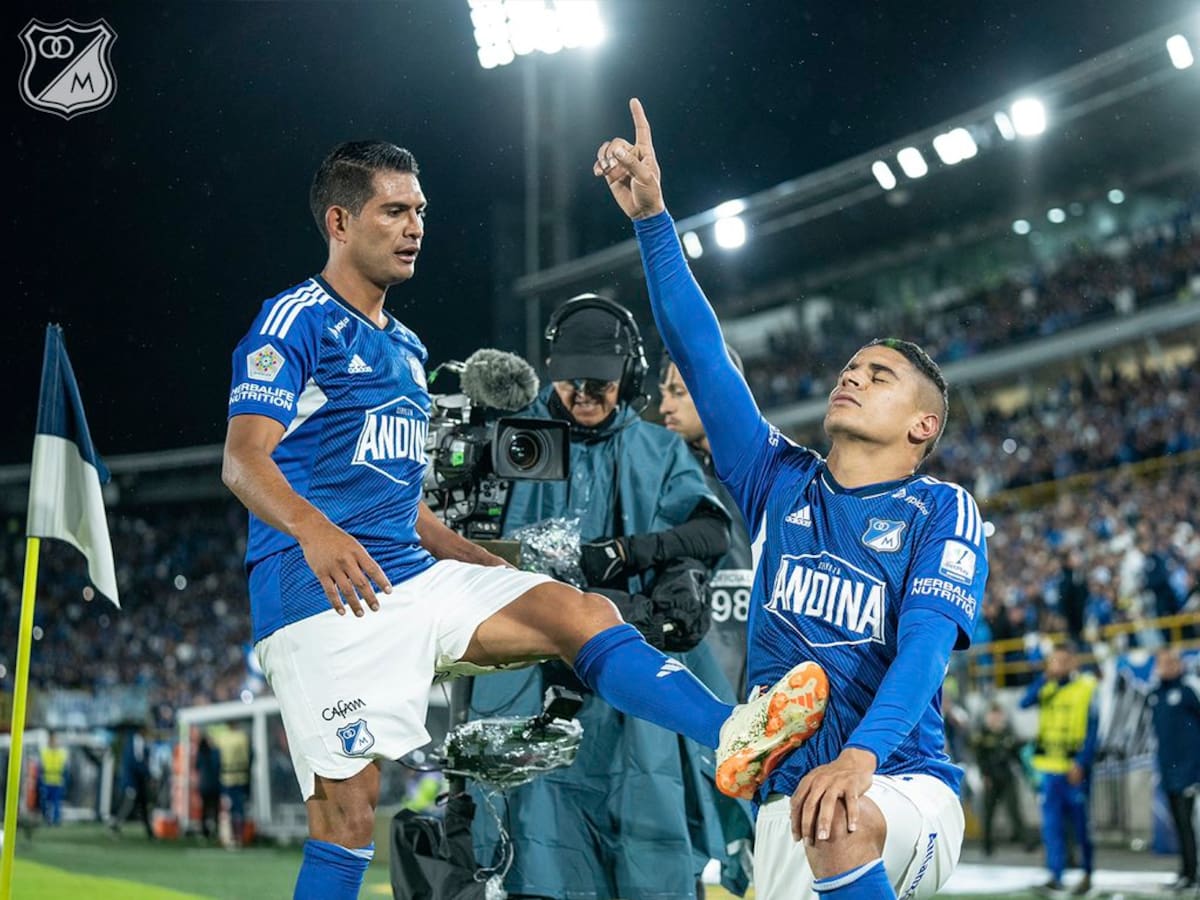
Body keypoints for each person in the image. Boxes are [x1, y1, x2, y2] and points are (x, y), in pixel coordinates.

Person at [222, 141, 821, 900]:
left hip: (409, 578)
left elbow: (402, 503)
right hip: (319, 594)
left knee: (573, 609)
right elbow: (244, 460)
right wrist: (316, 531)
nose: (415, 228)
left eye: (421, 212)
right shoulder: (295, 320)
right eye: (395, 211)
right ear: (339, 221)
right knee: (346, 818)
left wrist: (476, 559)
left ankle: (735, 732)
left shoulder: (405, 350)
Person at [595, 98, 989, 900]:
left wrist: (861, 758)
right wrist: (653, 221)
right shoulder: (779, 480)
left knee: (837, 824)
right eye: (851, 366)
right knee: (816, 824)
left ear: (923, 424)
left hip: (897, 783)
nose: (853, 375)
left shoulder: (942, 511)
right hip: (786, 802)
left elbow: (921, 653)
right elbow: (703, 357)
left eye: (880, 376)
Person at [469, 295, 752, 899]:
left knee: (650, 851)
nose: (584, 396)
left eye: (600, 383)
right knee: (538, 857)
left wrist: (628, 553)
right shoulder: (514, 443)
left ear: (630, 379)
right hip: (529, 688)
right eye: (570, 382)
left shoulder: (659, 450)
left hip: (632, 702)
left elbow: (711, 530)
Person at [660, 350, 754, 701]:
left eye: (678, 393)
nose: (665, 407)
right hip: (694, 688)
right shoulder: (662, 479)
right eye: (663, 393)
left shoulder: (776, 478)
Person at [1019, 646, 1098, 895]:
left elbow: (1094, 728)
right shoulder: (1046, 687)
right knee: (1051, 826)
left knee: (1081, 825)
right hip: (1048, 771)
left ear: (1073, 661)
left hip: (1073, 768)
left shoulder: (1086, 687)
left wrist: (1082, 763)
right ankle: (1056, 875)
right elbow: (1024, 702)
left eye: (1063, 661)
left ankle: (1087, 874)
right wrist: (1044, 678)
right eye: (1054, 661)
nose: (1058, 666)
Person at [1148, 648, 1200, 892]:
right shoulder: (1155, 695)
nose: (1166, 667)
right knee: (1179, 824)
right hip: (1168, 771)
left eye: (1170, 662)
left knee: (1189, 823)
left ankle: (1192, 873)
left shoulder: (1189, 690)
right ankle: (1186, 871)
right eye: (1162, 663)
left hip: (1190, 771)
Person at [970, 704, 1033, 857]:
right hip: (990, 777)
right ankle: (987, 846)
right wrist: (984, 775)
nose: (996, 719)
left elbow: (1016, 754)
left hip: (1007, 776)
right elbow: (979, 757)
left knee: (1014, 810)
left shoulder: (1007, 733)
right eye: (993, 715)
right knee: (988, 813)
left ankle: (1025, 841)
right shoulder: (982, 735)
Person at [111, 723, 155, 839]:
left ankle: (149, 831)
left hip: (137, 780)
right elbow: (136, 762)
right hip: (133, 780)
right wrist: (148, 773)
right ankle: (115, 825)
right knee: (128, 803)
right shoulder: (136, 742)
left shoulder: (135, 742)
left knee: (142, 805)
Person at [216, 722, 252, 848]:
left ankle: (227, 838)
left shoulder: (222, 737)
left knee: (227, 810)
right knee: (239, 809)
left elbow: (217, 758)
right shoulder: (242, 737)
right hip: (241, 777)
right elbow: (250, 756)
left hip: (226, 778)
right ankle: (240, 837)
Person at [195, 732, 222, 842]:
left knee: (205, 809)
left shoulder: (201, 753)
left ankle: (205, 831)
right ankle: (215, 830)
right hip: (214, 784)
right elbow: (218, 766)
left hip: (204, 785)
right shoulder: (215, 752)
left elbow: (197, 767)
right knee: (215, 809)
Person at [38, 731, 68, 827]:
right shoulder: (44, 752)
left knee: (56, 802)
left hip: (57, 782)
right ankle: (47, 819)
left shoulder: (62, 753)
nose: (53, 742)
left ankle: (56, 820)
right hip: (46, 781)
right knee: (45, 802)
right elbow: (40, 767)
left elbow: (65, 768)